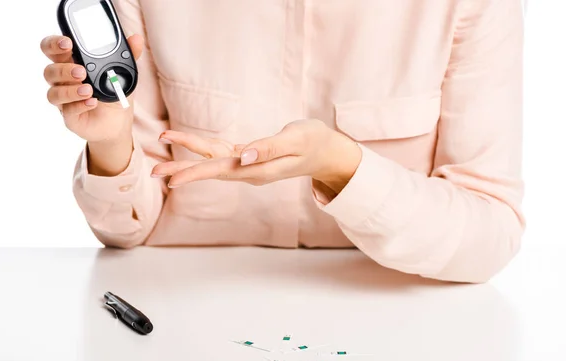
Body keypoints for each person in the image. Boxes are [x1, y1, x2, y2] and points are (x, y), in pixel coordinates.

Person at [40, 0, 525, 283]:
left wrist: (342, 167)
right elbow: (128, 232)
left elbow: (491, 231)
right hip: (180, 320)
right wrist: (111, 142)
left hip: (396, 334)